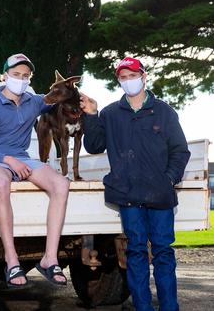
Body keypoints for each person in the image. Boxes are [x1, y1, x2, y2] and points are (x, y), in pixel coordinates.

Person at [79, 56, 191, 311]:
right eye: (124, 77)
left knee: (163, 252)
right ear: (119, 80)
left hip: (160, 195)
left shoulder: (164, 111)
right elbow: (94, 145)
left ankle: (170, 307)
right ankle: (142, 307)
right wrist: (92, 115)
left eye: (133, 75)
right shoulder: (110, 113)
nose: (129, 81)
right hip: (127, 194)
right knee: (136, 252)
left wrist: (170, 178)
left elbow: (180, 151)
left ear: (144, 77)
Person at [0, 53, 70, 288]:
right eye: (16, 75)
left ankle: (49, 259)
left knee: (61, 184)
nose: (21, 79)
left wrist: (83, 100)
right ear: (4, 76)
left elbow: (61, 96)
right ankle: (12, 260)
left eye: (26, 76)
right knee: (2, 184)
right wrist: (7, 160)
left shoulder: (33, 101)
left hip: (23, 158)